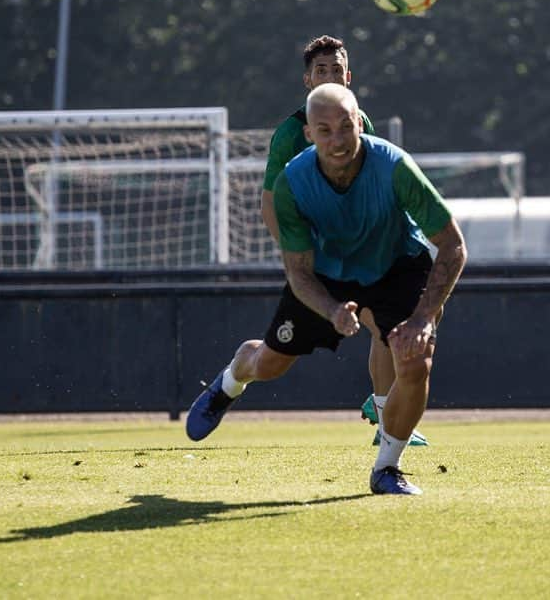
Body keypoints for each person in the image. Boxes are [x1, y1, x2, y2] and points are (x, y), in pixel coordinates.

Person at [187, 83, 467, 495]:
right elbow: (299, 273)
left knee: (415, 359)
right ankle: (229, 382)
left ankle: (387, 469)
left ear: (359, 123)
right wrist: (333, 310)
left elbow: (453, 244)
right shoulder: (292, 184)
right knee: (269, 365)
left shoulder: (394, 166)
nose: (337, 141)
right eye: (325, 130)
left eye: (345, 127)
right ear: (309, 135)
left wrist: (424, 318)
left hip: (397, 265)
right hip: (326, 274)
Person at [259, 34, 427, 447]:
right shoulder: (288, 134)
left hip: (355, 251)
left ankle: (385, 414)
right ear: (307, 80)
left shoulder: (360, 123)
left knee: (386, 328)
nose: (330, 75)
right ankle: (230, 382)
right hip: (314, 261)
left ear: (348, 76)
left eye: (337, 69)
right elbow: (269, 204)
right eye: (321, 70)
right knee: (275, 361)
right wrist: (300, 260)